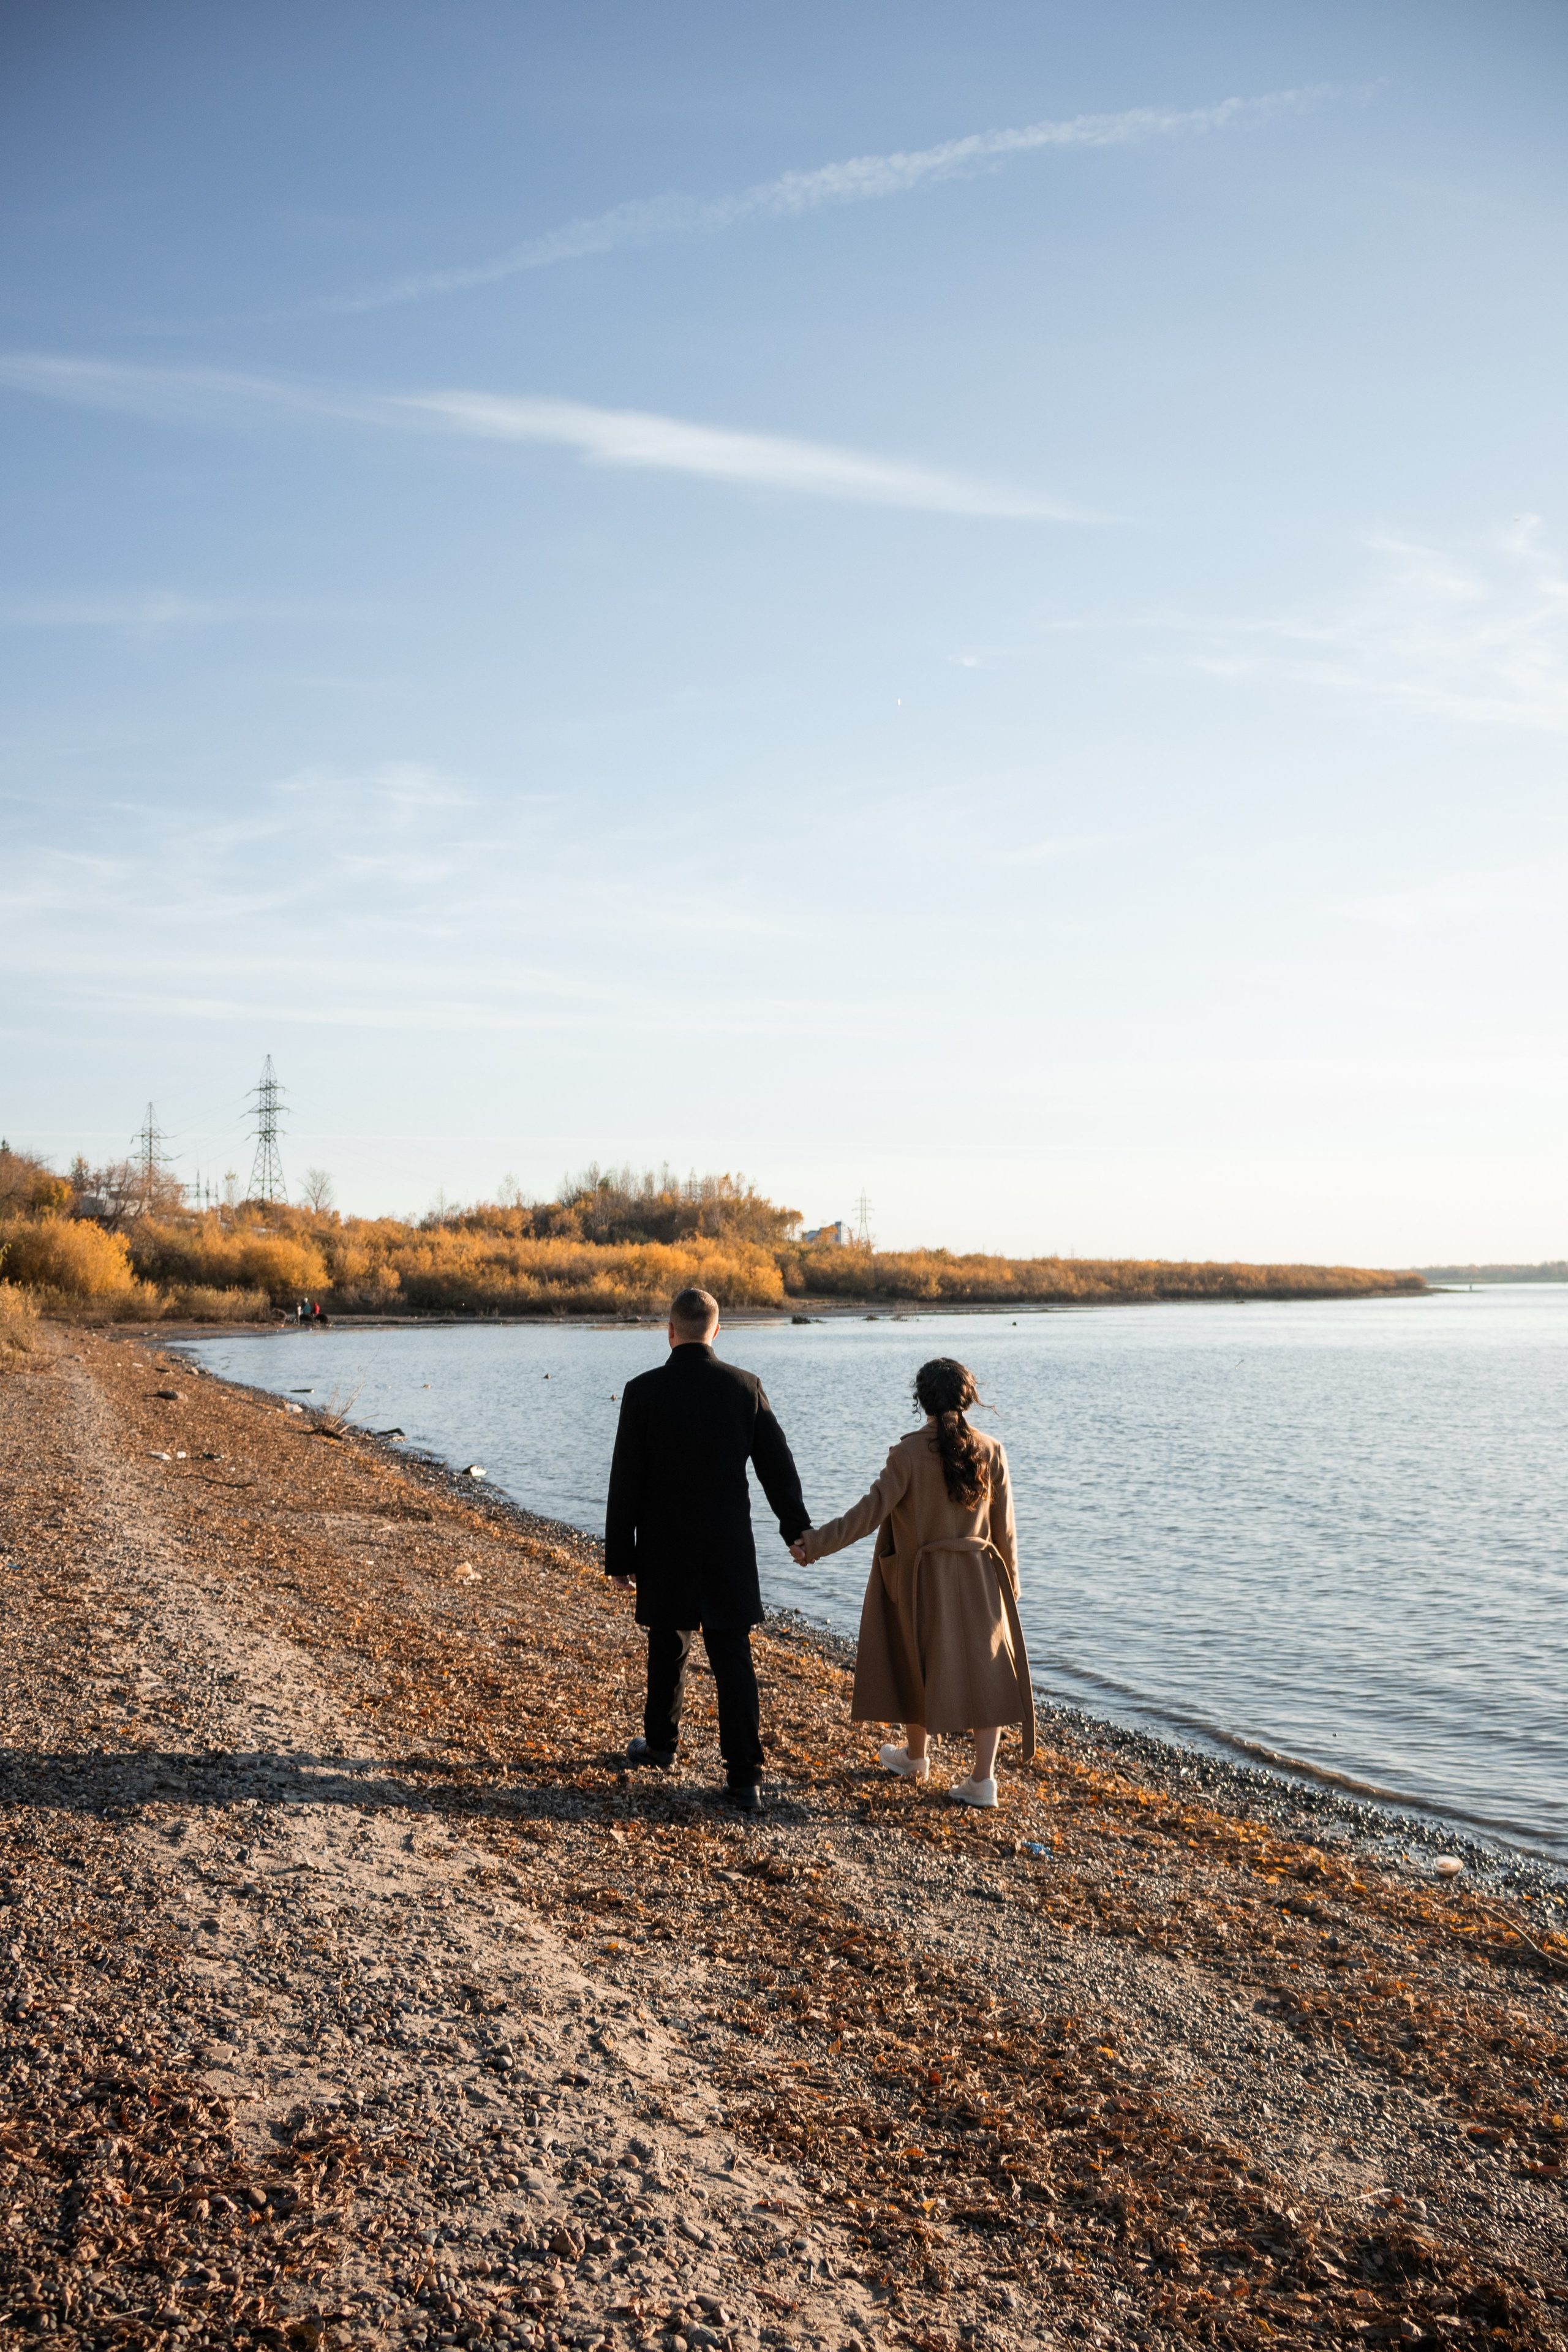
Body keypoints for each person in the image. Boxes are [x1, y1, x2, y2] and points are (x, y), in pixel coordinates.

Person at [790, 1356, 1033, 1808]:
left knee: (915, 1659)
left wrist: (814, 1544)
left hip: (921, 1580)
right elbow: (1006, 1532)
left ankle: (916, 1757)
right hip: (983, 1575)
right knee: (987, 1670)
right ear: (969, 1398)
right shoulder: (992, 1449)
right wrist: (1011, 1588)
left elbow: (867, 1515)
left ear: (920, 1400)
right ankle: (982, 1780)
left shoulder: (906, 1454)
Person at [605, 1286, 810, 1812]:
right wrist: (797, 1531)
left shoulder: (642, 1390)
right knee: (732, 1657)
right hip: (726, 1546)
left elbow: (625, 1479)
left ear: (669, 1331)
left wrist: (620, 1558)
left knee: (667, 1646)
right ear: (717, 1331)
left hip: (664, 1543)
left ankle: (660, 1746)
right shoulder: (745, 1387)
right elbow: (776, 1468)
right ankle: (745, 1779)